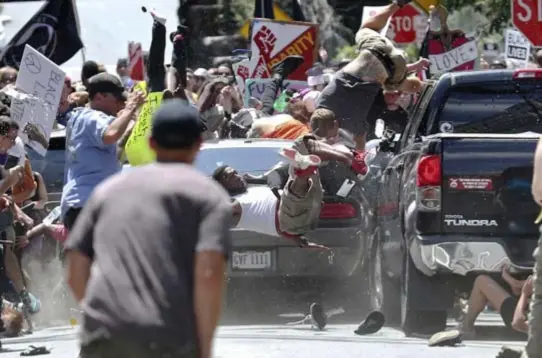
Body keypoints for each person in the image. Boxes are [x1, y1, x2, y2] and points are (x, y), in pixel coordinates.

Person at [66, 99, 231, 358]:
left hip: (104, 337)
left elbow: (76, 267)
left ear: (152, 143)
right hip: (169, 337)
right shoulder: (209, 196)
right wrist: (205, 348)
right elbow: (209, 271)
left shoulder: (108, 191)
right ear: (199, 145)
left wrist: (101, 315)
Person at [213, 108, 368, 247]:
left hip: (303, 209)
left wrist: (302, 242)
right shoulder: (235, 203)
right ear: (222, 187)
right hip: (292, 211)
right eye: (229, 176)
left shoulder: (252, 190)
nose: (236, 175)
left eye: (235, 172)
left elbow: (278, 229)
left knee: (304, 148)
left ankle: (310, 167)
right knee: (293, 185)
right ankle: (306, 168)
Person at [317, 0, 428, 150]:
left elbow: (360, 139)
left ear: (335, 125)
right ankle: (397, 4)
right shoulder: (323, 99)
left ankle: (428, 87)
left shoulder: (348, 121)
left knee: (398, 84)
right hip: (376, 49)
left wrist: (360, 165)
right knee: (365, 29)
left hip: (394, 67)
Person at [61, 72, 145, 231]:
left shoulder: (81, 117)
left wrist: (132, 120)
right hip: (88, 203)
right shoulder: (93, 117)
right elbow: (110, 134)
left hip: (81, 204)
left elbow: (116, 147)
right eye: (119, 100)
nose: (121, 104)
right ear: (99, 97)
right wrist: (131, 107)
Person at [429, 268, 531, 346]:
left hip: (525, 323)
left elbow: (518, 323)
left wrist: (522, 292)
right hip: (530, 324)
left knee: (482, 281)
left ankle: (466, 328)